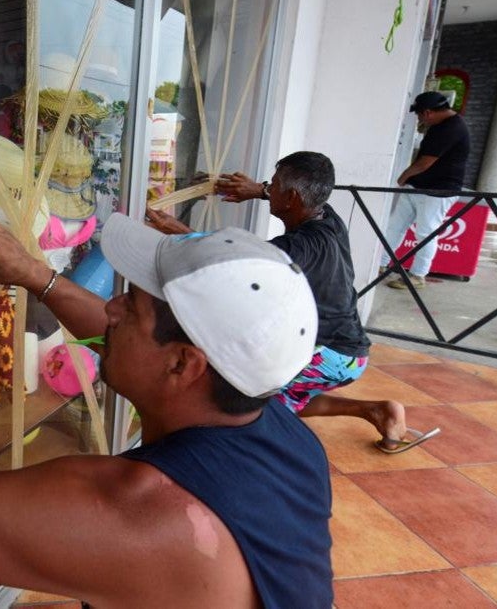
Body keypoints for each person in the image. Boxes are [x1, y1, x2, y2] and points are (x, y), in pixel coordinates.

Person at [0, 213, 333, 608]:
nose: (110, 309)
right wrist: (35, 276)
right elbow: (123, 339)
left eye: (130, 303)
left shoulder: (138, 517)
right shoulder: (287, 436)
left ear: (184, 363)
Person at [147, 152, 439, 453]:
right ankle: (376, 411)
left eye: (274, 185)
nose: (269, 188)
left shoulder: (297, 248)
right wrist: (258, 190)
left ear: (291, 198)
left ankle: (256, 461)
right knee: (288, 394)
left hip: (328, 353)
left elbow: (234, 260)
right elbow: (293, 200)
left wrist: (179, 232)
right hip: (345, 349)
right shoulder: (328, 217)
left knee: (247, 401)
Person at [379, 91, 470, 289]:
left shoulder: (452, 128)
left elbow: (425, 162)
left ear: (428, 112)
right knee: (396, 225)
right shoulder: (440, 126)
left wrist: (403, 177)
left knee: (426, 233)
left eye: (419, 115)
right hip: (418, 186)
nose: (419, 119)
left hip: (438, 191)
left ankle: (418, 275)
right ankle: (380, 263)